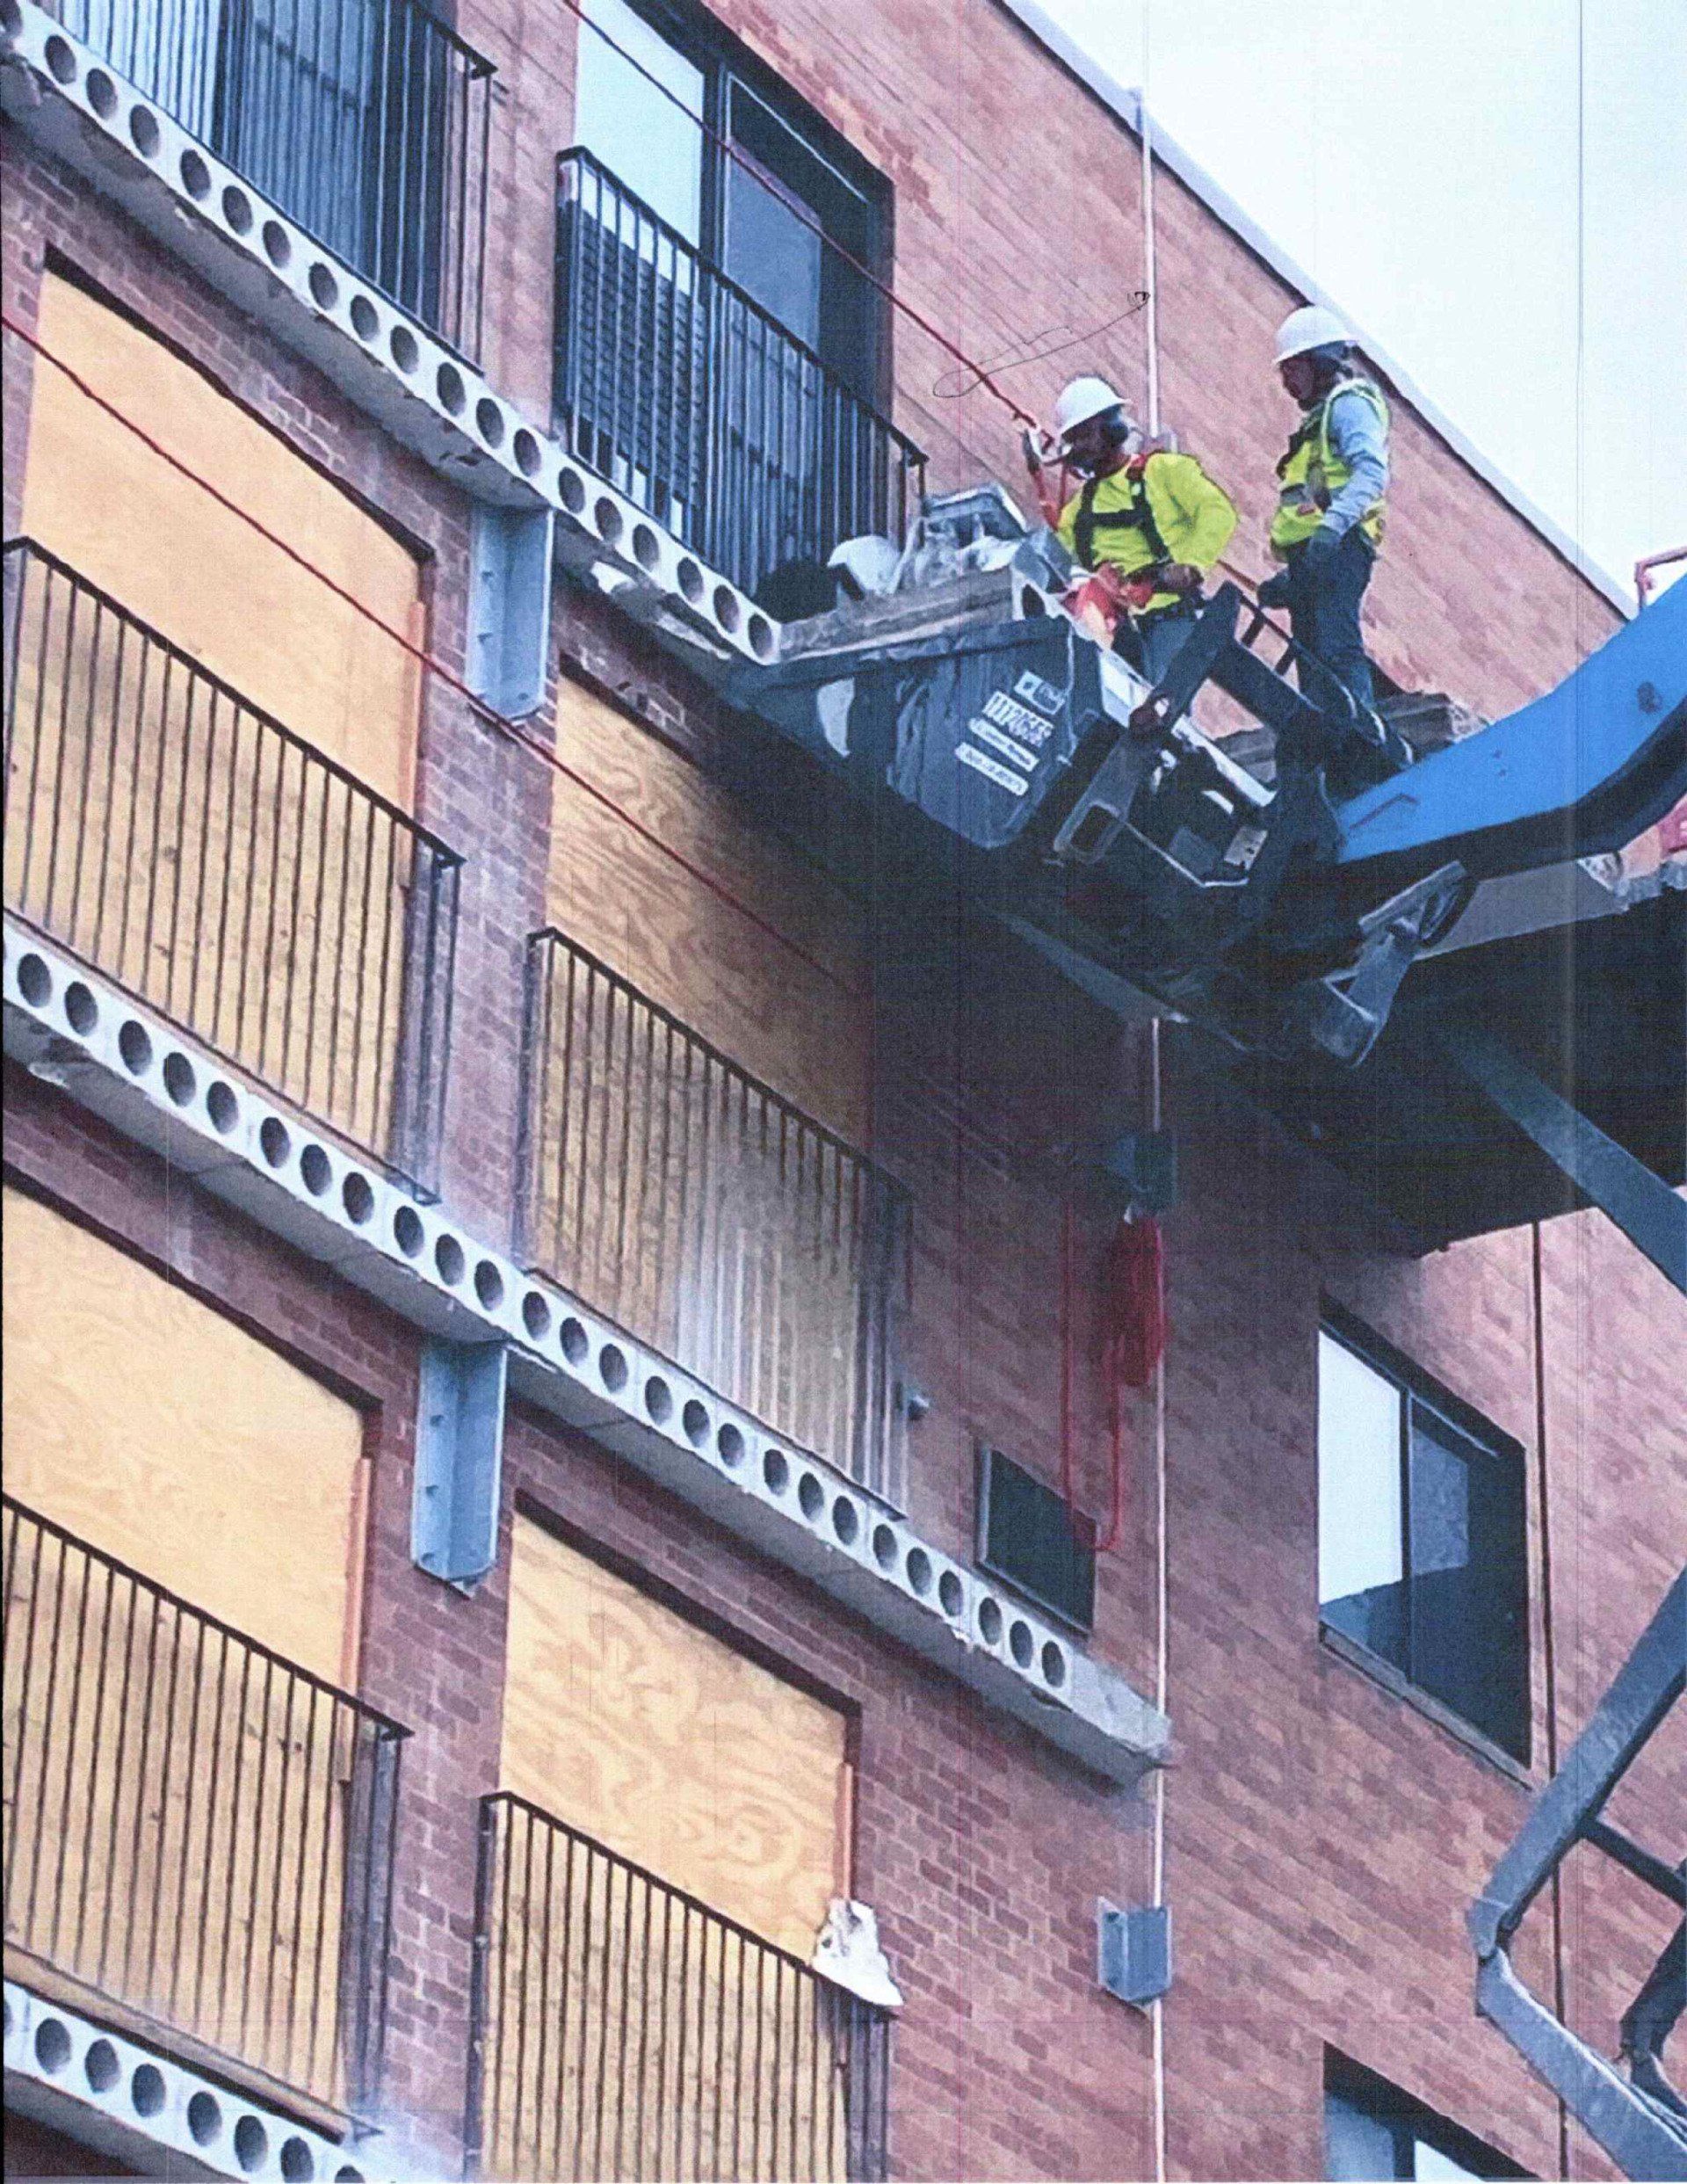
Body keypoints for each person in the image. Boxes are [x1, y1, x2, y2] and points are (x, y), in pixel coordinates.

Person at [1025, 376, 1238, 681]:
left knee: (1159, 705)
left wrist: (1191, 565)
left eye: (1086, 434)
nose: (1081, 447)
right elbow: (1056, 562)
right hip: (1110, 628)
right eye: (1075, 439)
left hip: (1169, 616)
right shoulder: (1078, 510)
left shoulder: (1163, 471)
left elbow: (1218, 512)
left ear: (1112, 427)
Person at [1256, 307, 1389, 718]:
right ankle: (1327, 739)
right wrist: (1292, 576)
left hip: (1340, 544)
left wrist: (1332, 527)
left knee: (1337, 645)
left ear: (1322, 361)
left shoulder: (1349, 405)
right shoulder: (1319, 420)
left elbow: (1370, 472)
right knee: (1312, 661)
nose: (1287, 382)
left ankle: (1359, 729)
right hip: (1316, 553)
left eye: (1294, 369)